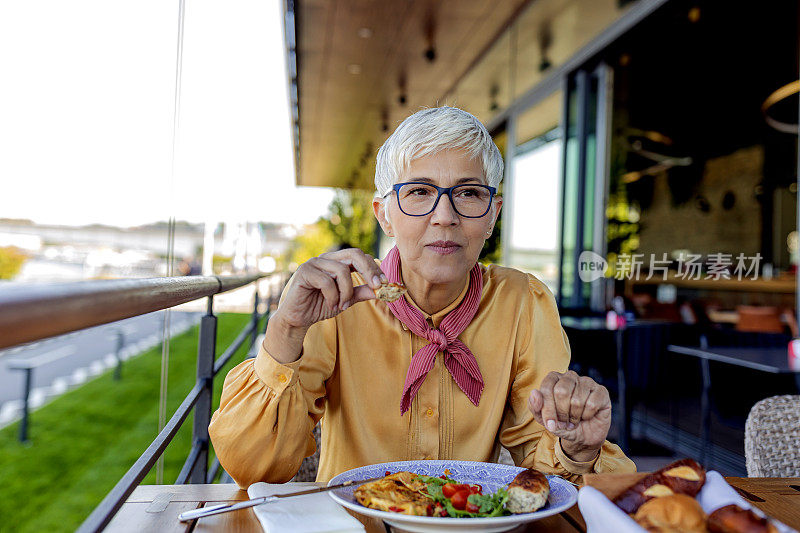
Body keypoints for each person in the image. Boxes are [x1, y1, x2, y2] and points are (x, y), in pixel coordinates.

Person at [209, 106, 636, 487]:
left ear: (492, 216)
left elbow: (543, 467)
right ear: (385, 215)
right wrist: (286, 328)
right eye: (419, 192)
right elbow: (253, 468)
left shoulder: (522, 301)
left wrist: (577, 449)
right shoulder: (335, 303)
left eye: (469, 193)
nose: (445, 216)